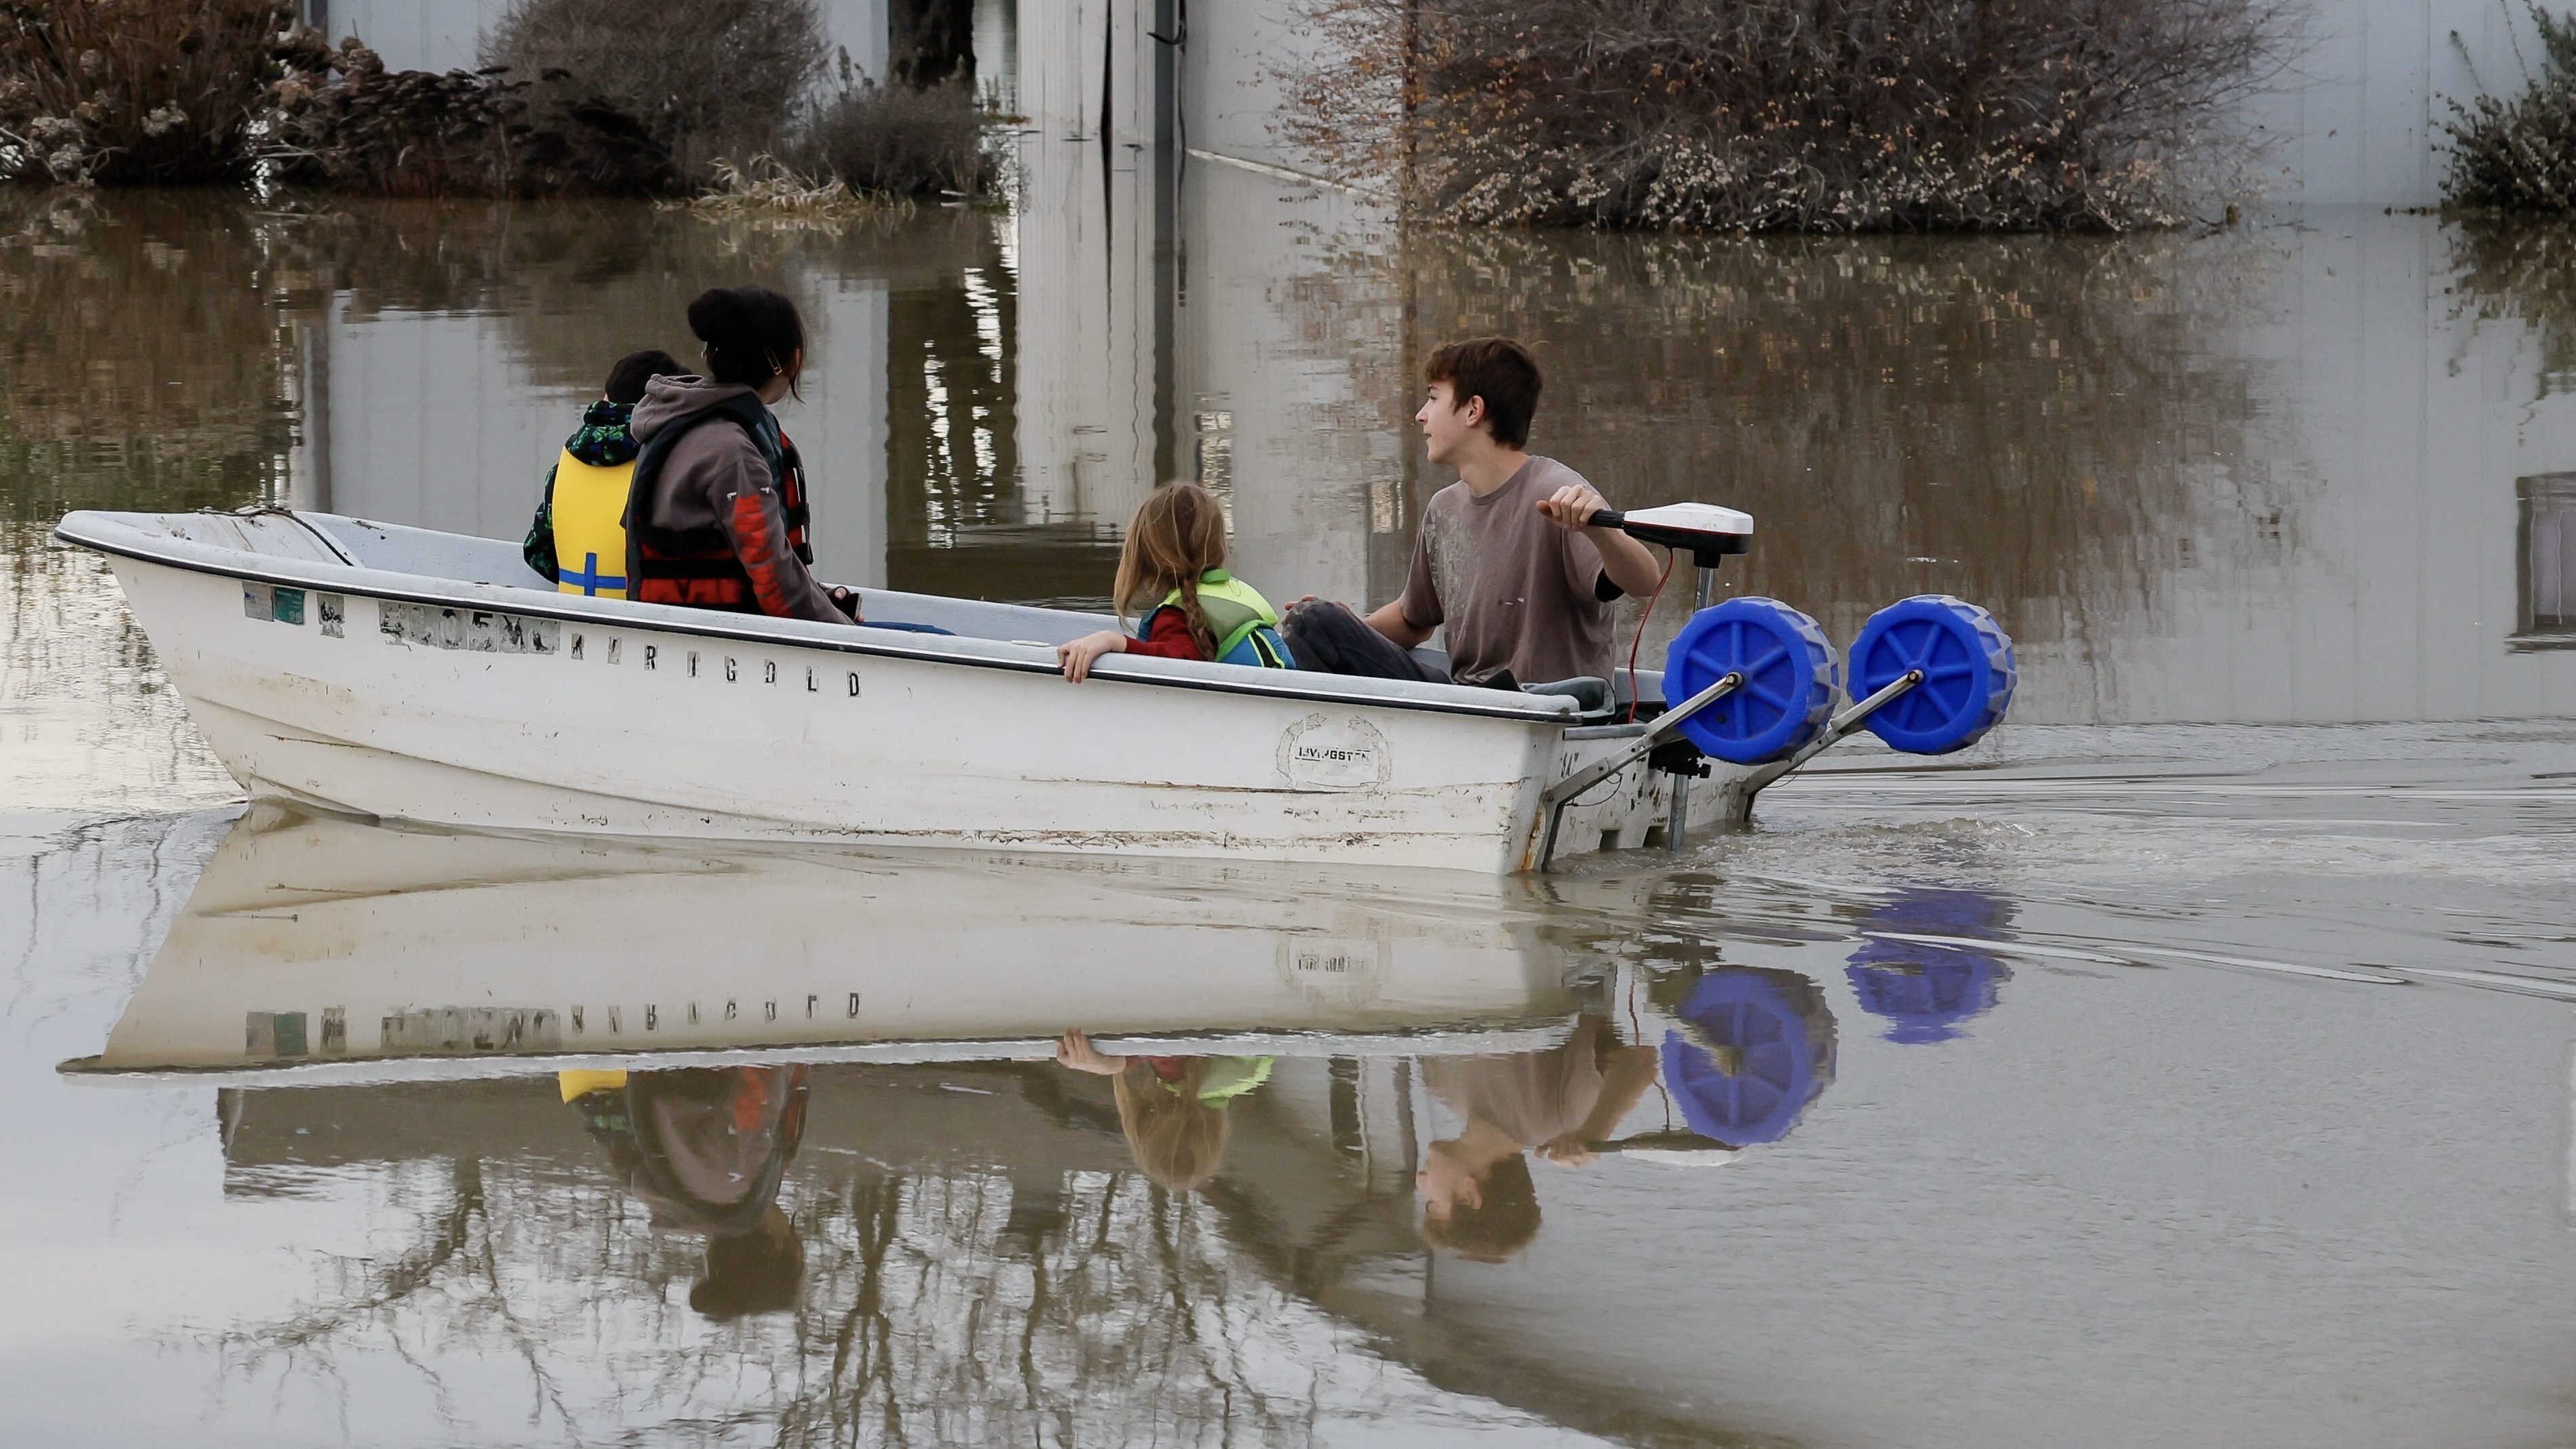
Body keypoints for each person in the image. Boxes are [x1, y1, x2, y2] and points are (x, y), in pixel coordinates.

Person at [1283, 338, 1664, 690]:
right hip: (1467, 704)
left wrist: (1601, 531)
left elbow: (1645, 582)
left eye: (1433, 399)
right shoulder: (1442, 509)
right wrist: (1349, 632)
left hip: (1546, 709)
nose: (1420, 415)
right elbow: (1414, 620)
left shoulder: (1557, 491)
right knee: (1314, 622)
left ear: (1472, 410)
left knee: (1315, 621)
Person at [624, 287, 858, 623]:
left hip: (677, 626)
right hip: (721, 638)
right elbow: (776, 584)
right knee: (930, 635)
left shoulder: (674, 420)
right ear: (790, 361)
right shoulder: (733, 452)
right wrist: (847, 632)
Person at [560, 1064, 810, 1318]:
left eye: (795, 1237)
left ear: (779, 1245)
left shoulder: (734, 1175)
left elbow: (765, 1063)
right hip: (584, 1082)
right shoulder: (687, 1205)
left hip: (620, 1064)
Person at [1415, 1015, 1660, 1262]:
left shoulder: (1437, 1085)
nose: (1420, 1182)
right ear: (1470, 1194)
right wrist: (1595, 1133)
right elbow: (1639, 1061)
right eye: (1432, 1203)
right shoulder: (1559, 1116)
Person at [1055, 481, 1296, 682]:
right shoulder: (1231, 594)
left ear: (1145, 554)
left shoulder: (1175, 615)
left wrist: (1114, 641)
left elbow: (1179, 662)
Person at [522, 348, 682, 597]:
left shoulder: (567, 460)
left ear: (607, 396)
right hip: (642, 619)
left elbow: (537, 553)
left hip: (573, 612)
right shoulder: (671, 460)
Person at [1054, 1029, 1273, 1191]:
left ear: (1218, 1131)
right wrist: (1116, 1064)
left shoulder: (1247, 1078)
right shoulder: (1178, 1076)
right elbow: (1163, 1035)